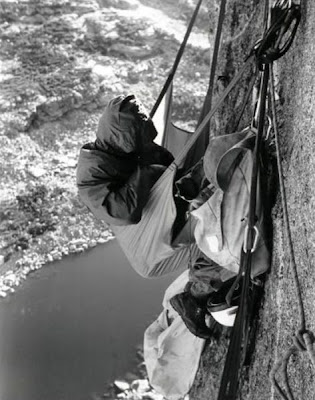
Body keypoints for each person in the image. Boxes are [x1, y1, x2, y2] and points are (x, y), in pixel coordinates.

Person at [76, 94, 174, 226]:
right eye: (138, 139)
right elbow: (124, 214)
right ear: (122, 138)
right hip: (143, 234)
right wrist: (149, 173)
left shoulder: (136, 146)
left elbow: (170, 163)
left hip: (170, 212)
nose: (145, 143)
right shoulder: (91, 172)